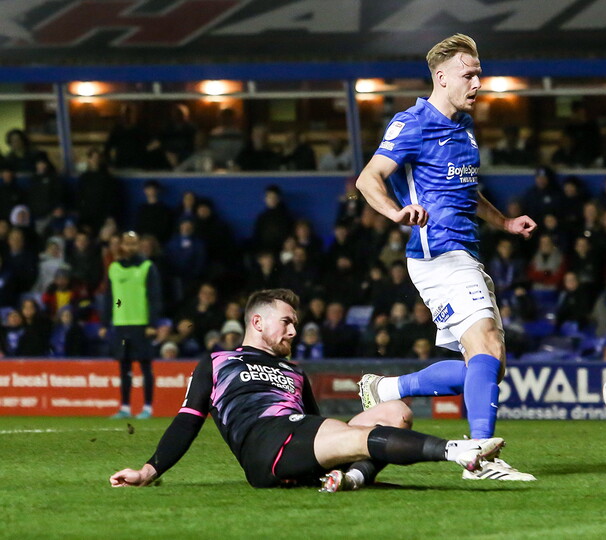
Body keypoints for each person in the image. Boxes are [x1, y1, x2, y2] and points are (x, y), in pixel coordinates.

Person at [353, 34, 536, 482]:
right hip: (437, 253)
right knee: (486, 346)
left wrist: (504, 222)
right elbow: (368, 178)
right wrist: (395, 212)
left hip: (464, 252)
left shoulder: (464, 126)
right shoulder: (412, 122)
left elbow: (466, 191)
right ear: (441, 77)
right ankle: (479, 458)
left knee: (488, 368)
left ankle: (388, 387)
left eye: (479, 74)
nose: (477, 82)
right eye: (468, 74)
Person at [109, 288, 507, 491]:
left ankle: (350, 479)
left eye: (295, 324)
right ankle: (458, 451)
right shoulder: (219, 362)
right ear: (258, 322)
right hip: (265, 445)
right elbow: (187, 421)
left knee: (395, 412)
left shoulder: (294, 371)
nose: (294, 331)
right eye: (287, 322)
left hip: (298, 438)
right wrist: (148, 470)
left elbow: (315, 424)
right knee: (351, 436)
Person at [100, 231, 162, 419]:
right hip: (121, 324)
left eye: (133, 243)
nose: (130, 247)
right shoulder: (114, 268)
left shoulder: (147, 267)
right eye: (127, 243)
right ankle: (125, 407)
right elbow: (109, 297)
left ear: (138, 245)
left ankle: (148, 407)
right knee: (124, 367)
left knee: (145, 365)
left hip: (141, 324)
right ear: (121, 245)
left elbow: (154, 297)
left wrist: (152, 323)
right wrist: (105, 323)